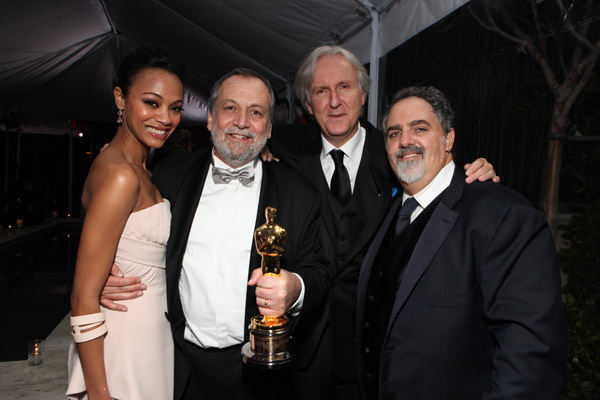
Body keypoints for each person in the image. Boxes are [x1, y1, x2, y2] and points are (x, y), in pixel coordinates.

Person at [268, 45, 500, 399]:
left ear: (363, 95)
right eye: (321, 91)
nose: (334, 101)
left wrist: (477, 170)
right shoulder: (284, 148)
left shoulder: (397, 151)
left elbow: (440, 173)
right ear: (307, 103)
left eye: (344, 87)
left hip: (372, 348)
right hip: (302, 349)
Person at [104, 68, 332, 399]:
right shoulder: (167, 173)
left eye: (255, 112)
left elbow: (321, 270)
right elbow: (115, 221)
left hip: (258, 372)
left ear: (268, 129)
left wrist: (295, 288)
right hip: (177, 364)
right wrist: (105, 272)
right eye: (230, 108)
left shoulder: (298, 192)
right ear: (210, 119)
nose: (242, 121)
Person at [356, 86, 567, 399]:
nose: (405, 141)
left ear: (449, 138)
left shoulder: (503, 216)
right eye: (393, 133)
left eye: (420, 128)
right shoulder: (388, 209)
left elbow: (531, 358)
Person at [67, 44, 184, 400]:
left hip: (148, 338)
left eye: (175, 108)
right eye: (152, 102)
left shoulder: (133, 165)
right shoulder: (121, 175)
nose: (165, 118)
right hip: (122, 346)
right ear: (120, 98)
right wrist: (100, 393)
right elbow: (83, 297)